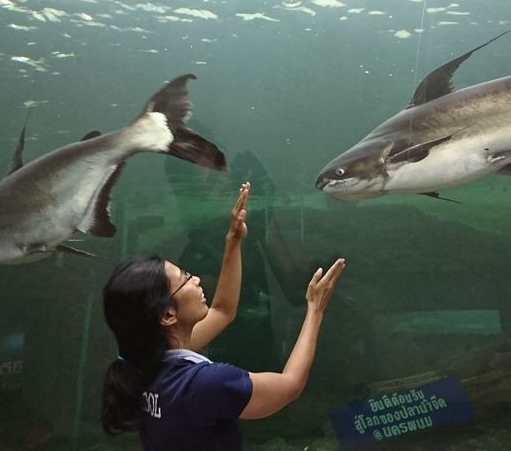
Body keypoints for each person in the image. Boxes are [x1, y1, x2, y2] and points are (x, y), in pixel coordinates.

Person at [100, 182, 346, 450]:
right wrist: (315, 309)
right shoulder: (204, 384)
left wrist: (234, 240)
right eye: (184, 279)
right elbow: (289, 386)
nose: (195, 279)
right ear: (168, 315)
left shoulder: (145, 365)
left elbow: (223, 310)